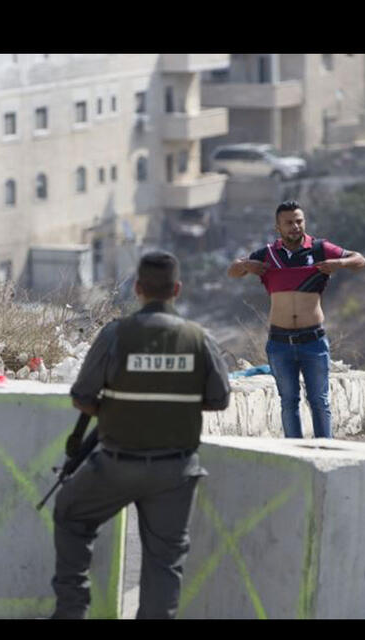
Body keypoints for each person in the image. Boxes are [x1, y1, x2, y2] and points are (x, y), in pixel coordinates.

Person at [51, 251, 231, 619]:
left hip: (115, 465)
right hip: (175, 471)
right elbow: (219, 399)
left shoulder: (116, 334)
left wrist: (121, 409)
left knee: (70, 515)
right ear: (176, 289)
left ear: (137, 289)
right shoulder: (200, 338)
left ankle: (71, 611)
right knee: (164, 562)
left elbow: (82, 398)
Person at [227, 200, 365, 438]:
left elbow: (361, 260)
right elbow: (233, 272)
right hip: (280, 341)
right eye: (288, 223)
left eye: (299, 221)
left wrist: (339, 263)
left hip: (313, 339)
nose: (295, 226)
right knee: (289, 402)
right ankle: (296, 452)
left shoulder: (320, 249)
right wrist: (245, 265)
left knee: (319, 401)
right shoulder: (268, 255)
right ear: (278, 227)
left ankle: (326, 452)